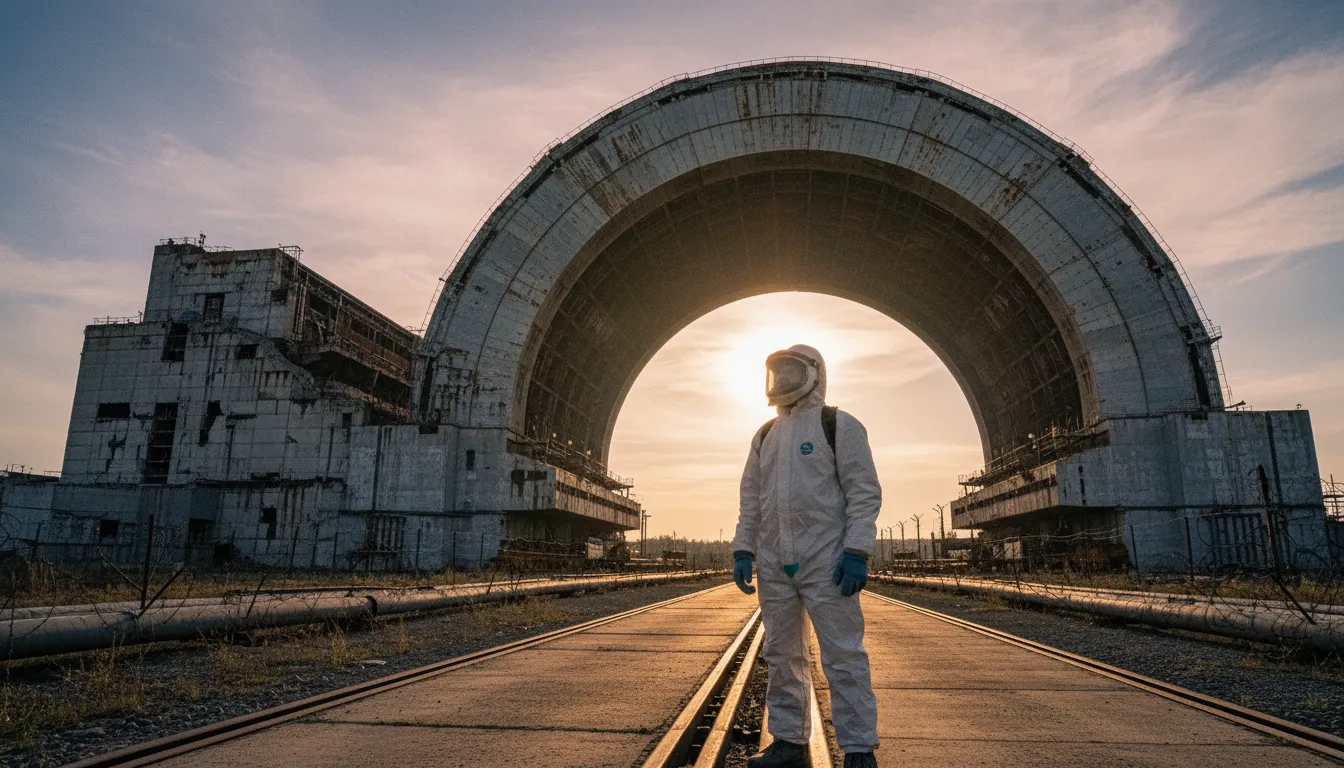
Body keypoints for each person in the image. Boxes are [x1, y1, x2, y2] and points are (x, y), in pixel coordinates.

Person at [733, 344, 880, 768]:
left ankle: (858, 749)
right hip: (776, 564)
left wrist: (857, 550)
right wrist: (744, 548)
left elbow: (863, 493)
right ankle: (789, 742)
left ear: (814, 373)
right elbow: (751, 501)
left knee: (843, 655)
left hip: (828, 561)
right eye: (776, 373)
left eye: (790, 372)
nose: (781, 381)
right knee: (781, 655)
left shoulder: (838, 425)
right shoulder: (765, 435)